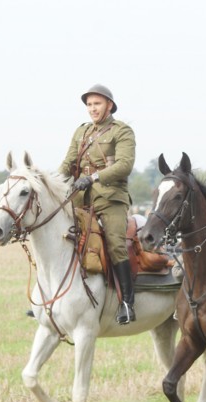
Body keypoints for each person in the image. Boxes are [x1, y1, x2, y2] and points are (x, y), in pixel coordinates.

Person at [59, 84, 136, 324]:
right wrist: (50, 182)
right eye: (89, 105)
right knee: (59, 238)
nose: (92, 109)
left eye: (97, 104)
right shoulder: (81, 132)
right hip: (81, 199)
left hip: (111, 198)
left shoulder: (121, 131)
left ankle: (127, 303)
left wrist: (93, 177)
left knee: (115, 244)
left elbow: (124, 165)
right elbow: (68, 163)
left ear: (109, 105)